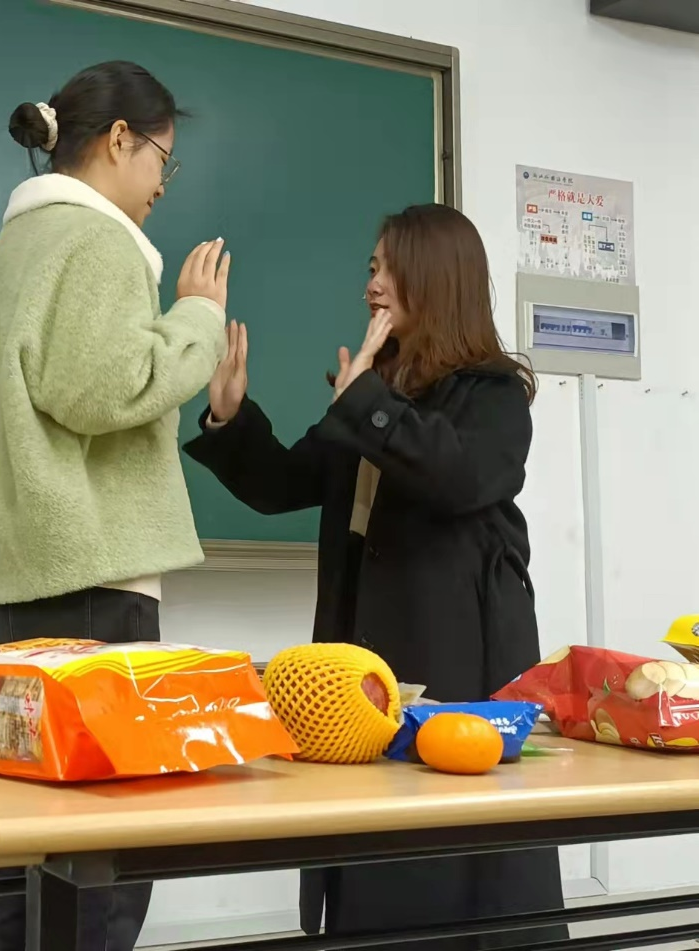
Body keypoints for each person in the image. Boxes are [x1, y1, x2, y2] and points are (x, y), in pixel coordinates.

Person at [183, 203, 568, 949]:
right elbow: (284, 483)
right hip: (361, 662)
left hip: (456, 666)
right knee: (369, 858)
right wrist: (232, 417)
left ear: (435, 278)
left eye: (387, 269)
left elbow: (459, 477)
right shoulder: (374, 390)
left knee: (456, 870)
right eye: (370, 269)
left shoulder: (491, 393)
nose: (371, 286)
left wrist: (367, 401)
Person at [0, 60, 230, 950]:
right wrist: (197, 320)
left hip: (8, 589)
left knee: (13, 861)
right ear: (119, 140)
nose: (162, 187)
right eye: (162, 161)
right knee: (94, 872)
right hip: (89, 591)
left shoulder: (12, 251)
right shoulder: (98, 241)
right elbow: (104, 385)